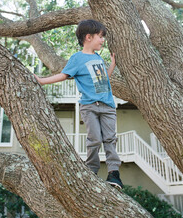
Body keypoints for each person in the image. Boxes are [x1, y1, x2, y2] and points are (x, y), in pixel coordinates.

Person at [34, 19, 123, 189]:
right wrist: (42, 81)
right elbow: (63, 75)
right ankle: (91, 169)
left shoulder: (97, 57)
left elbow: (104, 79)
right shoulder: (77, 58)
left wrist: (112, 65)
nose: (103, 40)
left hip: (108, 106)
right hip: (89, 106)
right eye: (100, 36)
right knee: (95, 139)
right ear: (88, 37)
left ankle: (114, 173)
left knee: (110, 139)